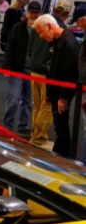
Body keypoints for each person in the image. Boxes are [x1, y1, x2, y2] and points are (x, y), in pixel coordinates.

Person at [35, 13, 79, 157]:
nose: (40, 36)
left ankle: (63, 156)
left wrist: (63, 97)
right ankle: (61, 155)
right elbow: (52, 68)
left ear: (50, 27)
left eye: (41, 32)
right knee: (59, 126)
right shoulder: (55, 41)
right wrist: (49, 92)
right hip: (55, 92)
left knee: (61, 127)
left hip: (62, 94)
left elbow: (71, 74)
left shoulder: (69, 44)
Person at [2, 0, 39, 136]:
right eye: (31, 12)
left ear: (39, 13)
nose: (33, 15)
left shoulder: (41, 30)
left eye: (36, 12)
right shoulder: (17, 28)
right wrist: (7, 67)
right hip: (17, 69)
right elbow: (9, 47)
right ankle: (7, 126)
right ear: (27, 12)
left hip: (33, 71)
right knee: (14, 98)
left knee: (28, 101)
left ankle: (23, 125)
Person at [27, 9, 55, 146]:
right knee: (46, 106)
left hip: (34, 70)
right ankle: (38, 137)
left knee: (38, 106)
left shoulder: (35, 29)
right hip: (45, 73)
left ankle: (35, 135)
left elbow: (30, 50)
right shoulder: (52, 31)